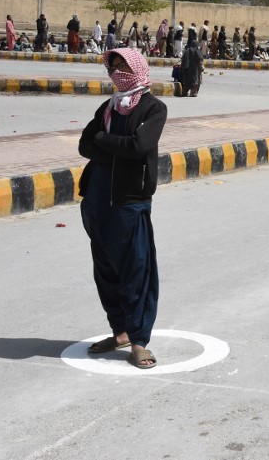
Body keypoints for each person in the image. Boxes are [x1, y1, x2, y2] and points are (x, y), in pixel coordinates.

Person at [78, 47, 167, 369]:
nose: (116, 72)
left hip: (130, 202)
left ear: (137, 68)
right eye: (112, 67)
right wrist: (115, 147)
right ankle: (120, 332)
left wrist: (104, 141)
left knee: (136, 271)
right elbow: (84, 145)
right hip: (97, 201)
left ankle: (139, 341)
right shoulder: (108, 107)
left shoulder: (152, 108)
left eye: (122, 66)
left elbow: (140, 146)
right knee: (106, 271)